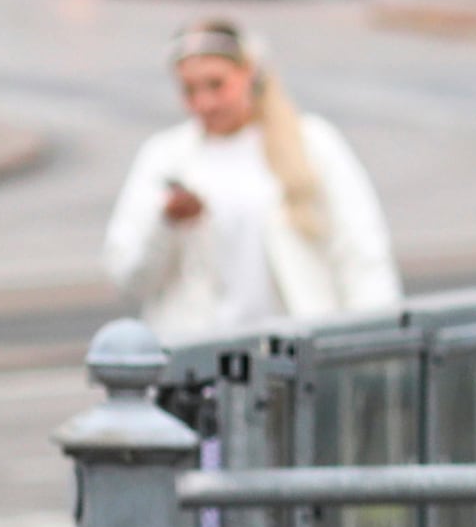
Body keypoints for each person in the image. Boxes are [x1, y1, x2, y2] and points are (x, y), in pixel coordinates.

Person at [103, 18, 402, 338]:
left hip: (297, 354)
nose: (204, 102)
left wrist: (373, 344)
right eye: (189, 89)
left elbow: (361, 252)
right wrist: (166, 222)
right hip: (200, 362)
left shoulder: (312, 143)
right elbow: (127, 277)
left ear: (248, 73)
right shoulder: (165, 157)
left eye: (216, 84)